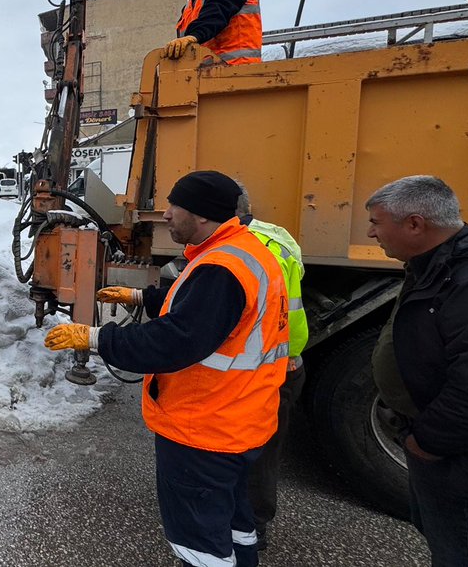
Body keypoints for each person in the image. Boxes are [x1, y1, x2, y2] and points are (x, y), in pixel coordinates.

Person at [45, 170, 288, 567]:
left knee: (201, 545)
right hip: (242, 419)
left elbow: (174, 341)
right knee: (235, 525)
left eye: (175, 207)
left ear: (203, 215)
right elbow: (206, 314)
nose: (167, 216)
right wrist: (142, 296)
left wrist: (94, 338)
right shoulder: (242, 252)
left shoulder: (220, 268)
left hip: (204, 428)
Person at [365, 175, 468, 565]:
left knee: (457, 546)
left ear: (414, 224)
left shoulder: (464, 278)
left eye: (377, 223)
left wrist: (426, 442)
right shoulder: (433, 264)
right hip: (440, 445)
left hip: (454, 454)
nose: (370, 233)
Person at [236, 191, 309, 552]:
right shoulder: (278, 236)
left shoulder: (243, 250)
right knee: (264, 449)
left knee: (254, 449)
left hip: (262, 369)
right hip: (287, 357)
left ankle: (248, 528)